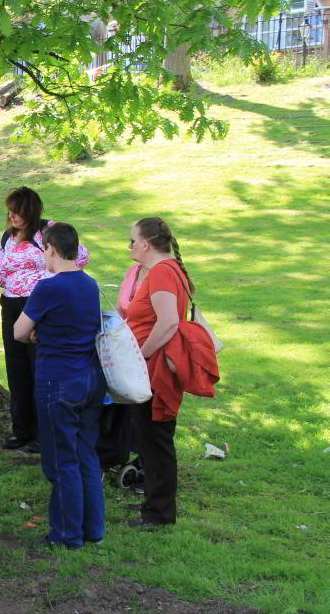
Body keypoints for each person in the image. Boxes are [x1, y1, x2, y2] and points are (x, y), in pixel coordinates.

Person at [13, 223, 106, 549]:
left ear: (51, 248)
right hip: (90, 378)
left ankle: (67, 534)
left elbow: (19, 332)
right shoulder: (89, 284)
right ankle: (94, 528)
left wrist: (39, 331)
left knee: (61, 460)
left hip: (58, 380)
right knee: (85, 455)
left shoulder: (47, 288)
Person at [0, 186, 90, 453]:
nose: (12, 216)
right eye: (10, 211)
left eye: (17, 211)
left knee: (38, 366)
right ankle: (21, 430)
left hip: (41, 302)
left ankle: (44, 433)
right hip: (11, 303)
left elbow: (80, 257)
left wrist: (49, 277)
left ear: (30, 211)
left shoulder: (48, 231)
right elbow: (4, 275)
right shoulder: (7, 237)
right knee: (16, 366)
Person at [125, 217, 217, 527]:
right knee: (150, 438)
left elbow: (167, 323)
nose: (131, 246)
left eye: (133, 241)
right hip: (153, 366)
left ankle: (160, 514)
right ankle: (154, 503)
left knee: (156, 440)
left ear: (147, 244)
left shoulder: (163, 272)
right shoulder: (166, 270)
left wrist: (142, 355)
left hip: (156, 368)